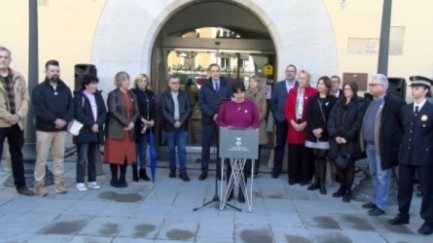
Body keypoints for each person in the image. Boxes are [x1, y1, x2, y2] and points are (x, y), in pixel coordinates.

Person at [389, 76, 433, 235]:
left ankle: (429, 221)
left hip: (425, 156)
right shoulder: (406, 109)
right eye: (413, 87)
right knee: (404, 186)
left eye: (417, 88)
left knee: (427, 189)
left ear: (426, 90)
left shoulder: (431, 109)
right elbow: (404, 131)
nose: (413, 91)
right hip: (406, 154)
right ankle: (403, 213)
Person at [359, 74, 406, 216]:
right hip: (370, 145)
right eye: (370, 85)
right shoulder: (370, 101)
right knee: (374, 174)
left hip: (384, 147)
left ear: (383, 86)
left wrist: (396, 144)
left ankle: (381, 204)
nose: (370, 87)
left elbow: (403, 125)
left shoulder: (395, 102)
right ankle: (376, 200)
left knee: (382, 176)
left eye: (373, 85)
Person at [32, 60, 74, 196]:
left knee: (59, 157)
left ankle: (59, 183)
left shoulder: (65, 89)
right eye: (52, 71)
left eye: (57, 71)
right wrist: (54, 120)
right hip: (44, 130)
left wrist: (65, 120)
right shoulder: (39, 89)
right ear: (46, 72)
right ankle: (39, 184)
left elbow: (71, 106)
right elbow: (40, 109)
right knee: (42, 158)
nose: (55, 73)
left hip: (61, 131)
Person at [217, 81, 259, 202]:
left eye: (241, 92)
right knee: (230, 166)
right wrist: (224, 127)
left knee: (243, 168)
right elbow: (220, 120)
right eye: (236, 93)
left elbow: (256, 121)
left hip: (245, 139)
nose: (239, 95)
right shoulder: (226, 105)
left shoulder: (250, 105)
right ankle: (229, 192)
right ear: (233, 93)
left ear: (245, 93)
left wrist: (252, 128)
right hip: (230, 139)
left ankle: (242, 193)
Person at [0, 46, 34, 196]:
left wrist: (19, 115)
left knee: (17, 155)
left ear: (10, 59)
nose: (3, 60)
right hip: (2, 123)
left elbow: (26, 98)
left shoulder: (19, 77)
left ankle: (21, 186)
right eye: (0, 57)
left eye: (5, 57)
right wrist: (8, 116)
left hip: (17, 123)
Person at [327, 82, 364, 202]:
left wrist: (346, 137)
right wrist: (335, 135)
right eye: (345, 89)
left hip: (350, 141)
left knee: (349, 166)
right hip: (337, 139)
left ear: (354, 90)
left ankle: (348, 191)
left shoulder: (359, 104)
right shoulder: (339, 103)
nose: (347, 91)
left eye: (349, 89)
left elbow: (357, 124)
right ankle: (341, 189)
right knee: (339, 165)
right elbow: (331, 119)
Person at [103, 71, 139, 188]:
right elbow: (113, 111)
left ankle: (122, 178)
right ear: (119, 82)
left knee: (125, 155)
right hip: (116, 130)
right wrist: (127, 123)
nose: (127, 82)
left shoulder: (132, 94)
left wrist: (132, 123)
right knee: (115, 155)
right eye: (124, 79)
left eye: (127, 79)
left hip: (129, 130)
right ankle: (114, 178)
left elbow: (137, 111)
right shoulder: (113, 95)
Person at [197, 63, 232, 180]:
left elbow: (229, 102)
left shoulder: (226, 85)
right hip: (208, 121)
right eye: (213, 71)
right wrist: (212, 115)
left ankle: (219, 172)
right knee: (205, 147)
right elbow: (201, 103)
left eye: (217, 71)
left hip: (222, 122)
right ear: (209, 73)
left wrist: (220, 115)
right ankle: (204, 171)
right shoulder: (204, 86)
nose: (215, 73)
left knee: (221, 147)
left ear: (220, 72)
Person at [72, 74, 107, 191]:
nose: (95, 86)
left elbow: (104, 112)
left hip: (96, 131)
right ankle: (80, 181)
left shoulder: (98, 96)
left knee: (93, 158)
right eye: (92, 83)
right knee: (82, 158)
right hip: (84, 131)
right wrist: (91, 124)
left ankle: (92, 180)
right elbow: (79, 113)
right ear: (86, 85)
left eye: (96, 83)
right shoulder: (79, 97)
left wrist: (98, 124)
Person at [305, 76, 337, 194]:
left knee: (321, 157)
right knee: (314, 156)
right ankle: (315, 181)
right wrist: (313, 129)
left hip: (324, 134)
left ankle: (322, 183)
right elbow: (309, 115)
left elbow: (332, 117)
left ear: (327, 86)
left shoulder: (333, 100)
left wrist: (322, 130)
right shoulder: (313, 99)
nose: (319, 85)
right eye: (318, 83)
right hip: (313, 133)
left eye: (322, 84)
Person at [284, 70, 317, 185]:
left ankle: (304, 178)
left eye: (303, 78)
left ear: (308, 80)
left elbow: (314, 111)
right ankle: (293, 177)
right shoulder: (292, 92)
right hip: (293, 127)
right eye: (300, 78)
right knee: (293, 154)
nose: (301, 80)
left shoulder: (313, 92)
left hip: (306, 127)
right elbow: (287, 109)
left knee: (305, 155)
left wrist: (306, 123)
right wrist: (293, 123)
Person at [160, 75, 192, 181]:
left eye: (178, 82)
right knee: (171, 150)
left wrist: (181, 121)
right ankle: (172, 169)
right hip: (170, 127)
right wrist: (173, 122)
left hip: (182, 127)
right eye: (173, 83)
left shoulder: (184, 95)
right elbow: (163, 111)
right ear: (169, 84)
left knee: (182, 149)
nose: (176, 84)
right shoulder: (164, 95)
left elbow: (189, 109)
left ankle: (183, 171)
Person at [270, 64, 298, 178]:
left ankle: (293, 171)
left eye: (292, 71)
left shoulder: (298, 85)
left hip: (294, 121)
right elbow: (273, 103)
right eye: (288, 71)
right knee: (279, 145)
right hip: (281, 119)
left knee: (293, 146)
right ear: (285, 72)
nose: (290, 72)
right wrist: (277, 117)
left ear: (295, 73)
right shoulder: (278, 86)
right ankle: (276, 170)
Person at [131, 73, 156, 181]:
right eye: (141, 80)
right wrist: (141, 119)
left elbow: (155, 108)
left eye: (145, 81)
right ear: (137, 82)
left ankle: (143, 171)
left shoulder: (150, 93)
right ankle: (134, 172)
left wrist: (153, 120)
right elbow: (132, 109)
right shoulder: (133, 93)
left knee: (143, 149)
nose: (143, 83)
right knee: (135, 150)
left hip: (147, 127)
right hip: (136, 125)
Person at [246, 75, 268, 177]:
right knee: (247, 148)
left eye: (254, 81)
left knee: (256, 150)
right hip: (246, 125)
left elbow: (264, 111)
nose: (252, 83)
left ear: (258, 83)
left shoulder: (262, 95)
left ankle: (254, 171)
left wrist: (254, 119)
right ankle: (246, 169)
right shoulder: (245, 94)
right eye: (251, 81)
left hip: (258, 125)